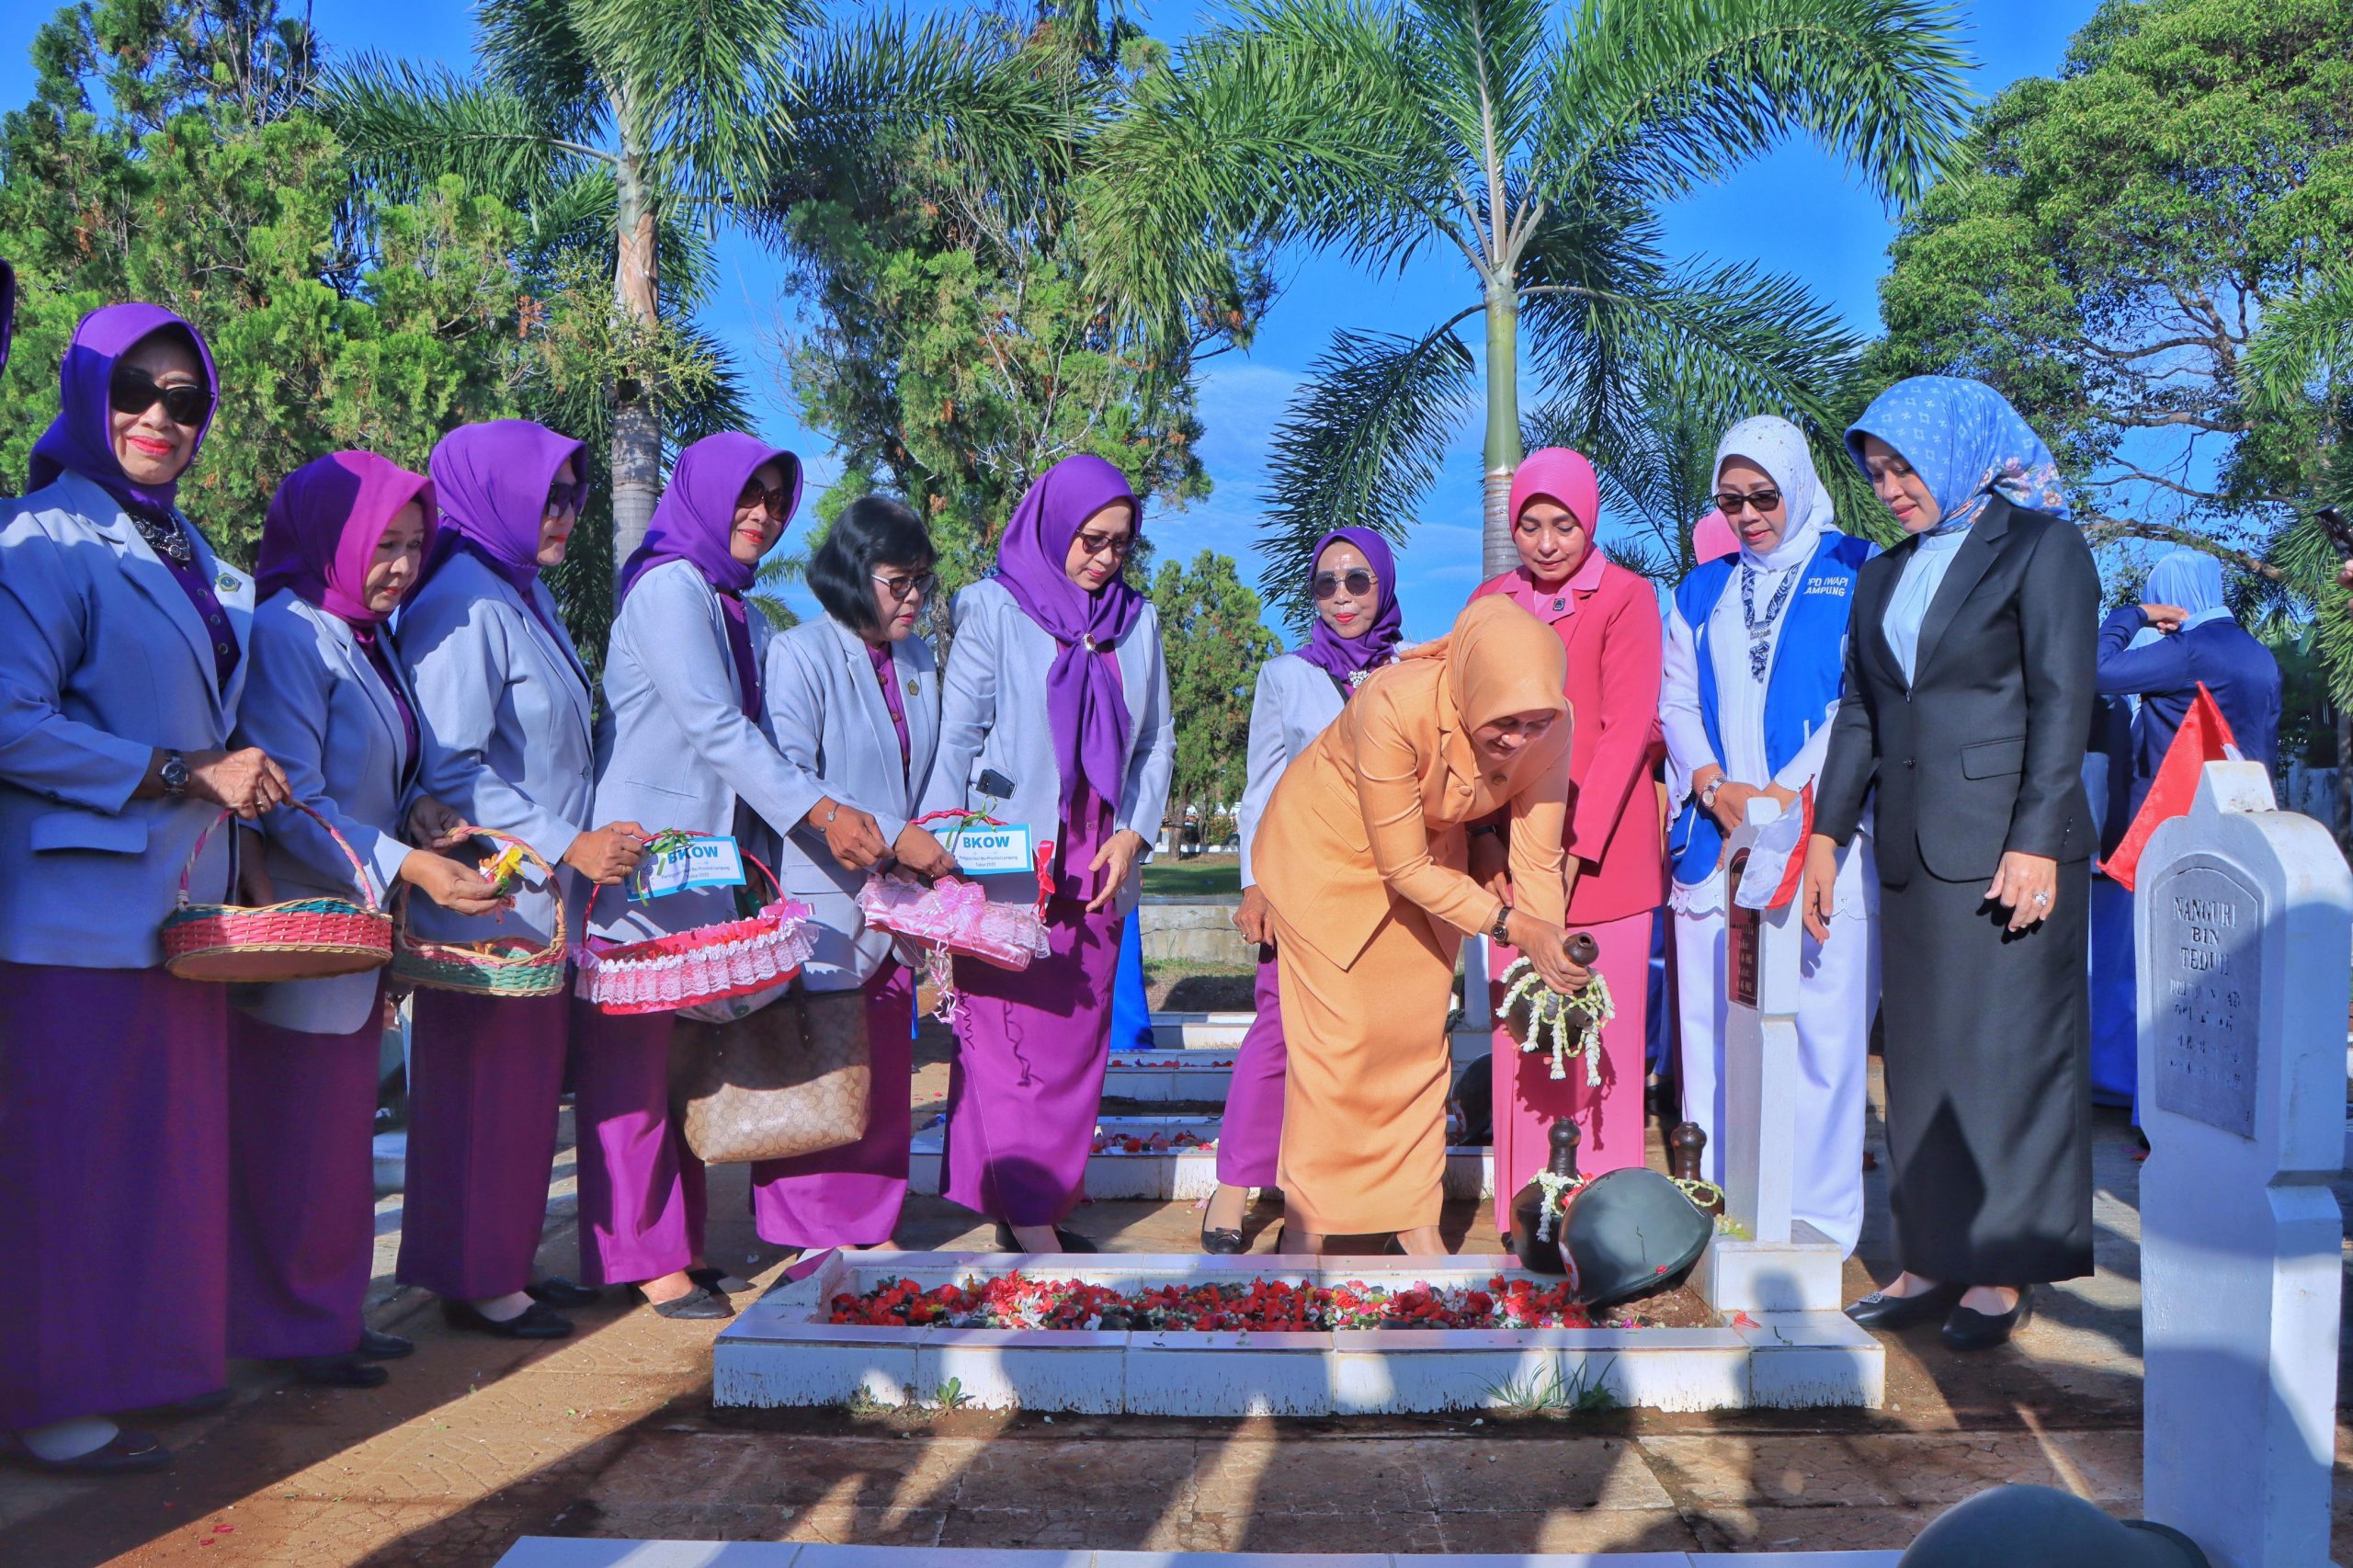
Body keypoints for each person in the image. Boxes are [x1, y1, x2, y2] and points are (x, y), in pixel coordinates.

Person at [0, 304, 290, 1472]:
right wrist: (179, 771)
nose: (161, 416)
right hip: (72, 912)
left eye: (186, 398)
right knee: (70, 1163)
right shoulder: (44, 537)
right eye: (135, 388)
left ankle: (133, 1368)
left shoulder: (187, 549)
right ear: (82, 390)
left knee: (151, 1158)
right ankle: (53, 1395)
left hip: (180, 904)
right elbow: (10, 720)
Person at [1805, 375, 2099, 1351]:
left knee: (2008, 1053)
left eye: (1905, 467)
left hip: (2011, 844)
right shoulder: (1884, 574)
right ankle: (1929, 1253)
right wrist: (1824, 832)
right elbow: (1862, 711)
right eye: (1878, 472)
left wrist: (2035, 834)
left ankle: (2003, 1263)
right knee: (1923, 1060)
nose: (1890, 488)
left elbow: (2064, 701)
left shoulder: (2040, 547)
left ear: (1962, 451)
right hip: (1910, 850)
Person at [229, 452, 509, 1387]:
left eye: (412, 546)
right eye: (380, 544)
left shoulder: (366, 636)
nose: (398, 566)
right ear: (333, 540)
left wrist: (420, 819)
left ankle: (326, 1312)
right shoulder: (290, 633)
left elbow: (376, 776)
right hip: (307, 920)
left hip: (357, 920)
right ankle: (291, 1324)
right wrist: (405, 861)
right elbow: (284, 794)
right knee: (295, 1134)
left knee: (336, 1128)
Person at [397, 420, 647, 1338]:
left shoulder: (515, 592)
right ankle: (474, 1273)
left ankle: (498, 1259)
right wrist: (565, 840)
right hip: (490, 895)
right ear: (494, 492)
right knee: (484, 1086)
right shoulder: (461, 601)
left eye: (575, 498)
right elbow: (450, 770)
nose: (566, 515)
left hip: (534, 898)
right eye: (548, 495)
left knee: (519, 1088)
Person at [1254, 596, 1588, 1255]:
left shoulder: (1556, 724)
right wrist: (1514, 927)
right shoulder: (1393, 701)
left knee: (1415, 1045)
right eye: (1505, 721)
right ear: (1469, 689)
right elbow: (1399, 864)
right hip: (1325, 859)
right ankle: (1308, 1230)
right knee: (1338, 1051)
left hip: (1431, 867)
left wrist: (1548, 952)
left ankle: (1414, 1221)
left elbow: (1537, 857)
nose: (1521, 738)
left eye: (1535, 720)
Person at [577, 432, 816, 1319]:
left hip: (705, 867)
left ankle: (669, 1240)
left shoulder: (740, 611)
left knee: (675, 1066)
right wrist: (820, 813)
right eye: (745, 496)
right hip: (640, 863)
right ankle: (639, 1253)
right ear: (706, 497)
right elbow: (716, 729)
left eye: (776, 501)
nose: (761, 514)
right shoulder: (669, 588)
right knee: (630, 1072)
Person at [921, 454, 1175, 1254]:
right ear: (1052, 526)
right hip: (1008, 859)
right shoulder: (994, 607)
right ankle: (1030, 1223)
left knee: (1074, 1041)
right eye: (1089, 540)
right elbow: (958, 735)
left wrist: (1134, 832)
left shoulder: (1139, 622)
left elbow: (1157, 741)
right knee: (1006, 1039)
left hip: (1099, 863)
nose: (1103, 559)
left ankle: (1034, 1200)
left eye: (1120, 545)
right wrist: (939, 844)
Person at [1660, 415, 1880, 1256]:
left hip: (1821, 835)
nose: (1748, 514)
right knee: (1717, 1021)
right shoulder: (1700, 589)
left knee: (1822, 1022)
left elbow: (1862, 698)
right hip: (1719, 837)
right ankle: (1711, 1189)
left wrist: (1787, 794)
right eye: (1731, 500)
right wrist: (1714, 784)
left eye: (1764, 496)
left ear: (1796, 484)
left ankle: (1818, 1215)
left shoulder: (1856, 569)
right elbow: (1676, 700)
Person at [756, 495, 958, 1260]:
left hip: (896, 901)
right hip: (824, 890)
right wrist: (891, 838)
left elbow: (931, 763)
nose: (913, 599)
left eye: (923, 584)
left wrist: (931, 840)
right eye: (898, 582)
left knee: (880, 1064)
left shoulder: (916, 660)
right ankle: (809, 1230)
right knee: (820, 1062)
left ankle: (870, 1222)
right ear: (850, 574)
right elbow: (789, 778)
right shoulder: (801, 653)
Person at [1470, 448, 1665, 1221]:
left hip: (1603, 862)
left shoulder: (1625, 598)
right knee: (1526, 1040)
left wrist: (1574, 853)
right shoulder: (1490, 601)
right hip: (1510, 870)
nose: (1547, 543)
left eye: (1563, 525)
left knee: (1598, 1040)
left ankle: (1605, 1218)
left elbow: (1622, 733)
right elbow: (1468, 732)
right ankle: (1527, 1213)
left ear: (1589, 521)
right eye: (1530, 525)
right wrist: (1486, 845)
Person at [1206, 526, 1405, 1253]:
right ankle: (1235, 1187)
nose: (1343, 596)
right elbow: (1260, 791)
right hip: (1300, 886)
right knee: (1278, 1035)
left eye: (1358, 580)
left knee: (1373, 1046)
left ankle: (1357, 1197)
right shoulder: (1286, 675)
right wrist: (1254, 884)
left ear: (1383, 584)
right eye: (1326, 583)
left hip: (1387, 895)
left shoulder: (1410, 671)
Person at [2087, 548, 2283, 1108]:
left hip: (2173, 827)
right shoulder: (2258, 654)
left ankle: (2142, 1097)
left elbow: (2097, 669)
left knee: (2157, 971)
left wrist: (2135, 615)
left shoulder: (2190, 649)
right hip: (2240, 830)